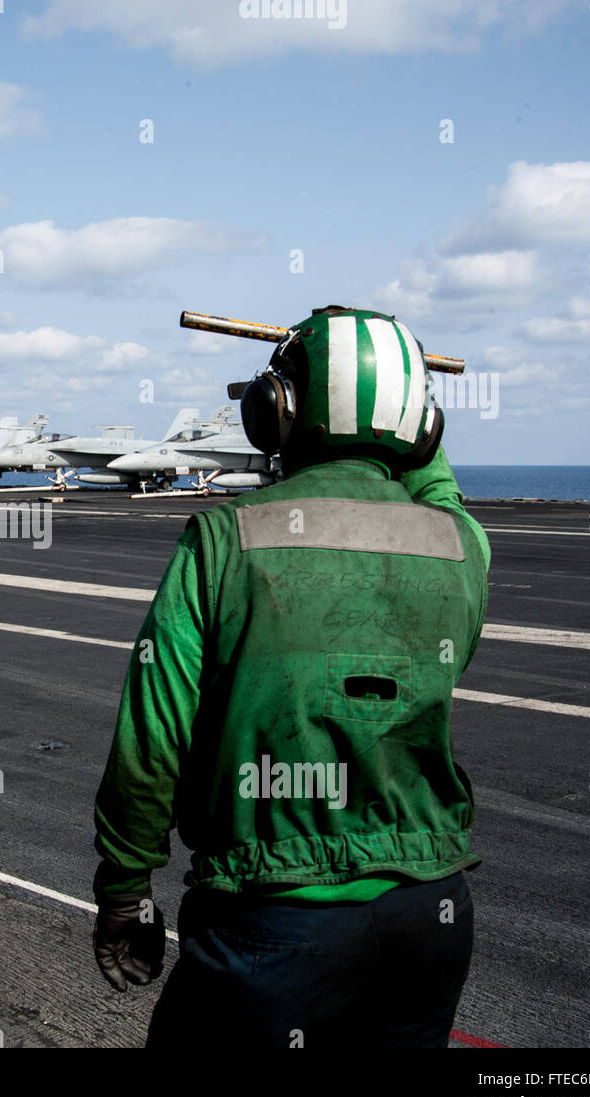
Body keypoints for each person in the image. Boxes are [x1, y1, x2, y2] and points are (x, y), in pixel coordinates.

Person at [91, 305, 491, 1049]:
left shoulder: (223, 539)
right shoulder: (462, 546)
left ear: (275, 412)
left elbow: (153, 735)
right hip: (430, 918)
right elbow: (437, 489)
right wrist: (411, 412)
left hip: (272, 922)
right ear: (424, 426)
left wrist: (124, 885)